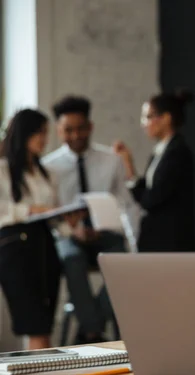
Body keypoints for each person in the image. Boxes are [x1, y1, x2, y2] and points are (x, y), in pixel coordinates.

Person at [42, 95, 139, 344]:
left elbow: (124, 202)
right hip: (69, 236)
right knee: (71, 259)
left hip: (106, 234)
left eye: (81, 128)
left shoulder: (110, 160)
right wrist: (72, 230)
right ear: (58, 130)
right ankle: (95, 331)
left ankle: (89, 330)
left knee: (124, 265)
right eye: (68, 130)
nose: (75, 135)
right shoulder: (49, 166)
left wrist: (115, 227)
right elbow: (48, 213)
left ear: (90, 127)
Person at [0, 109, 80, 349]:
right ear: (24, 133)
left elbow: (52, 214)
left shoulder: (46, 172)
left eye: (45, 133)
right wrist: (30, 210)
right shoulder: (3, 169)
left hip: (44, 246)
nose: (44, 139)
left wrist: (69, 221)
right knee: (33, 322)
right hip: (15, 247)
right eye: (39, 133)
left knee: (44, 324)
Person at [113, 89, 195, 252]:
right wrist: (128, 162)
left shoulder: (177, 153)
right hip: (159, 237)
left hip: (170, 241)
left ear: (165, 118)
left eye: (148, 117)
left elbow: (152, 198)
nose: (143, 123)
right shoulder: (161, 151)